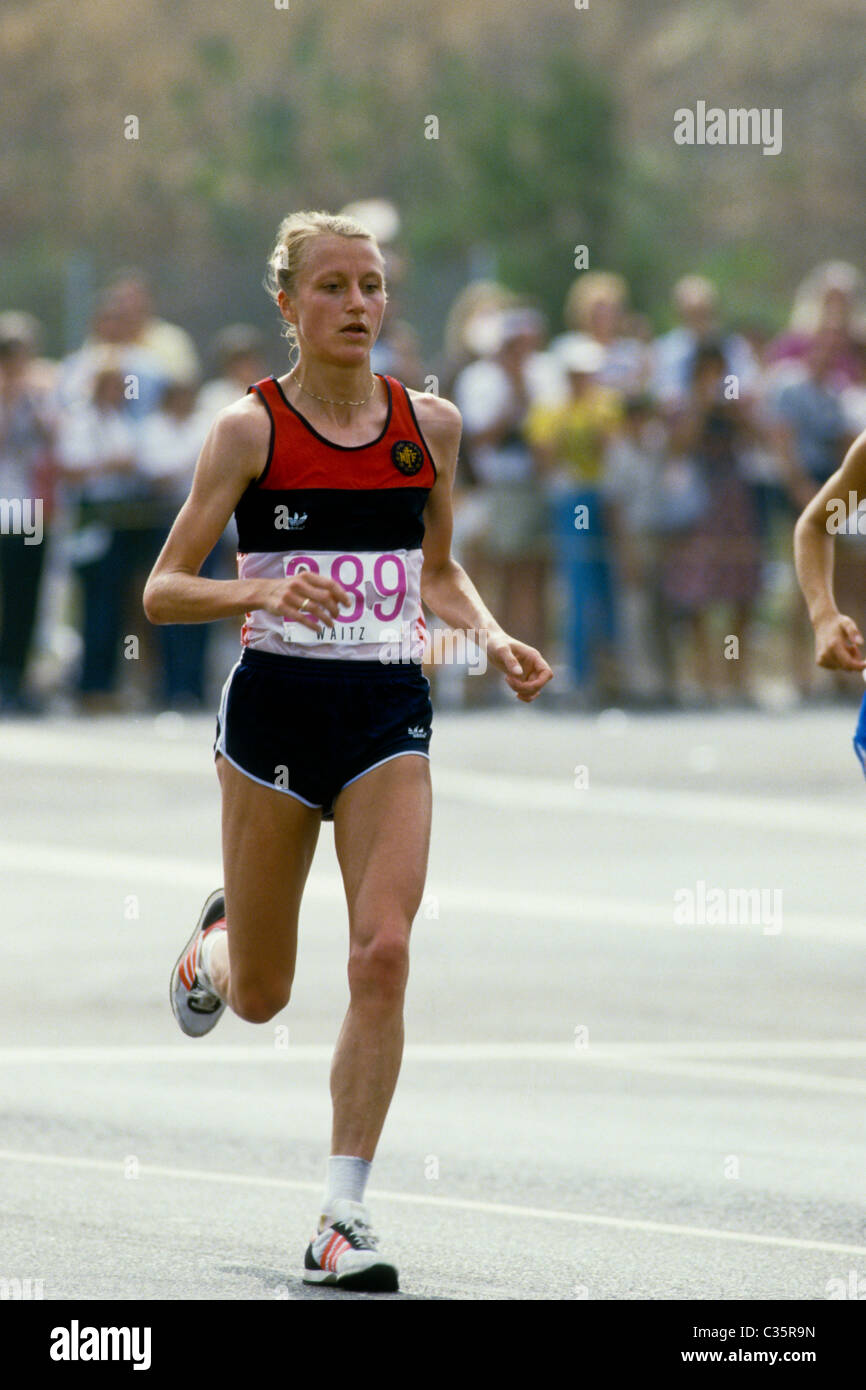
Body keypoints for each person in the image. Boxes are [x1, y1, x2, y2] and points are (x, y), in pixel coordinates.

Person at [143, 209, 553, 1292]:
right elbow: (163, 589)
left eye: (370, 286)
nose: (357, 305)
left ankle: (342, 1215)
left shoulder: (431, 425)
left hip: (386, 710)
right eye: (332, 287)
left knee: (383, 952)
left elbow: (436, 568)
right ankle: (212, 948)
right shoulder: (248, 431)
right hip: (274, 717)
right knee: (261, 994)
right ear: (288, 304)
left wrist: (491, 635)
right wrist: (262, 589)